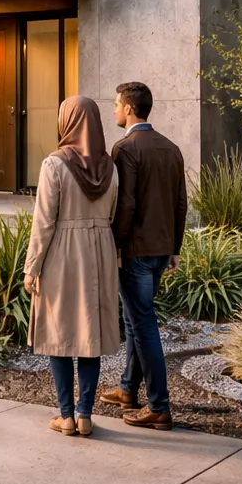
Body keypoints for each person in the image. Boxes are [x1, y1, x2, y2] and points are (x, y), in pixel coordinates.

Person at [24, 94, 122, 437]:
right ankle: (85, 415)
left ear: (67, 122)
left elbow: (44, 222)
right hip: (100, 251)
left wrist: (31, 267)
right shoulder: (111, 167)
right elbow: (112, 213)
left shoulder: (54, 164)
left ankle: (65, 415)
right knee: (89, 332)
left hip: (64, 252)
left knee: (60, 333)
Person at [99, 81, 187, 431]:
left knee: (143, 324)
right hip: (161, 250)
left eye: (117, 105)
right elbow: (182, 203)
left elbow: (127, 203)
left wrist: (116, 247)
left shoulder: (125, 148)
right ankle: (126, 391)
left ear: (130, 109)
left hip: (134, 252)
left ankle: (159, 406)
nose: (115, 110)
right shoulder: (172, 148)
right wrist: (175, 249)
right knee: (139, 320)